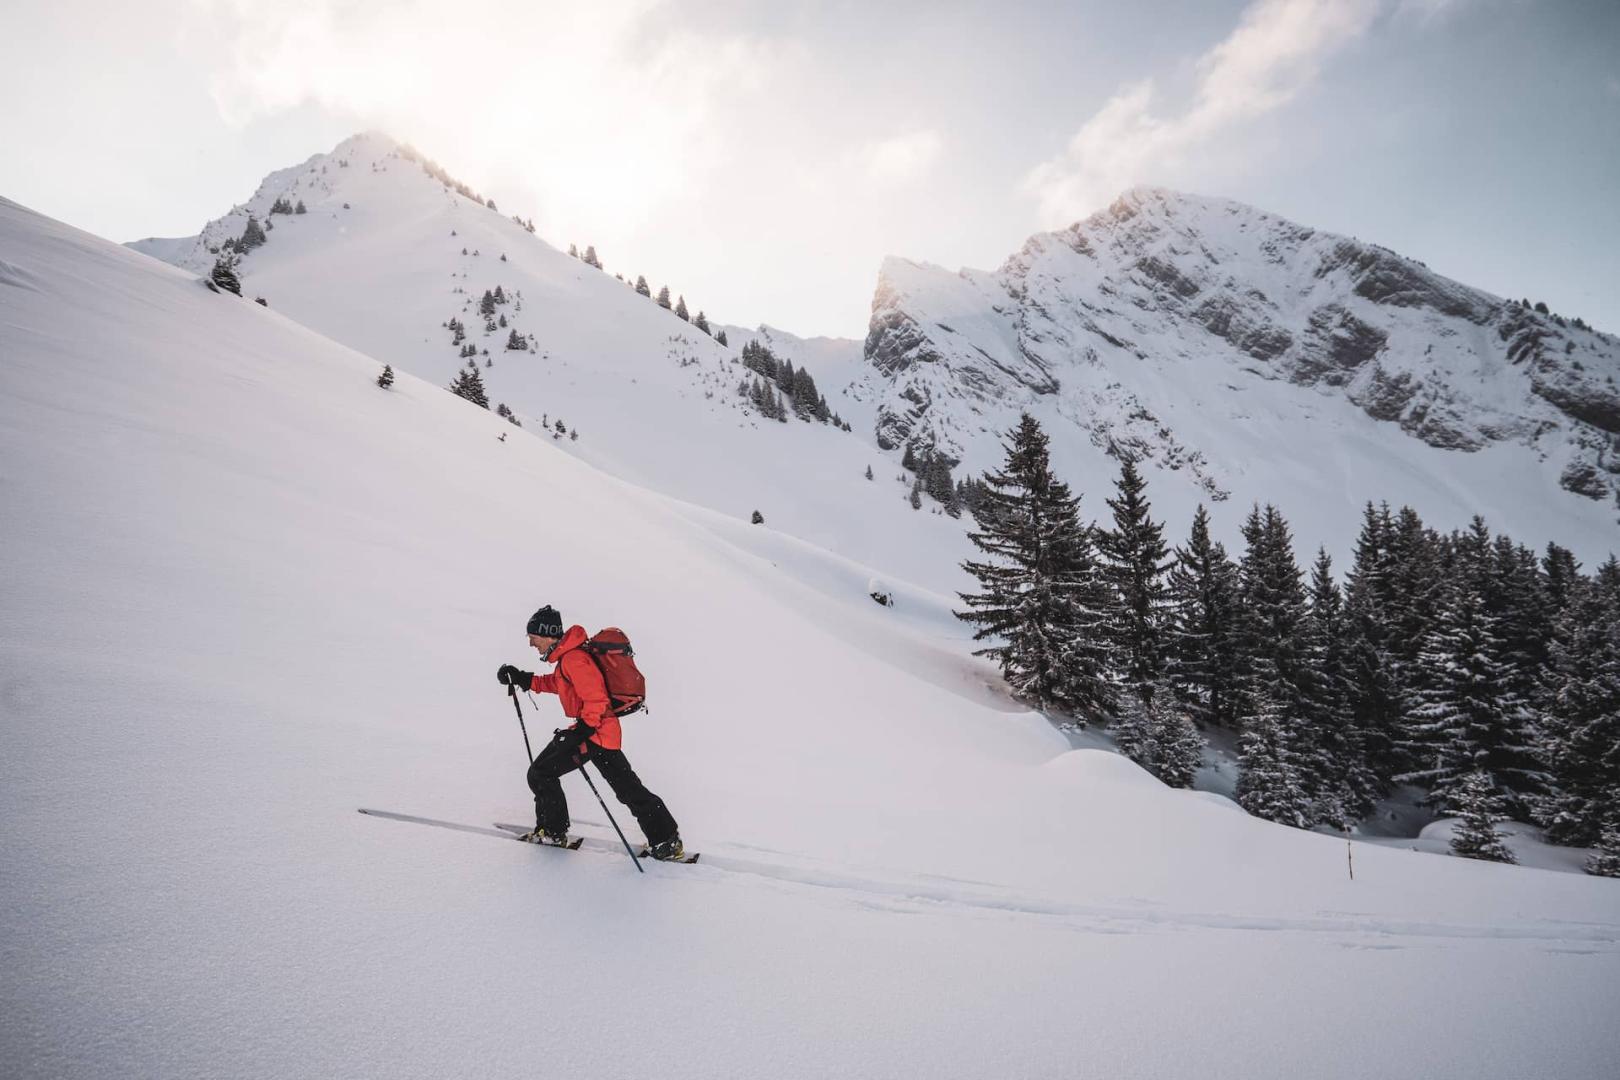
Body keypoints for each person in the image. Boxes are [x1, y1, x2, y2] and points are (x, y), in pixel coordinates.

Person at [497, 605, 684, 860]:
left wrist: (582, 730)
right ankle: (666, 839)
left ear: (547, 633)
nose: (531, 643)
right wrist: (524, 679)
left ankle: (553, 832)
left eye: (533, 637)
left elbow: (596, 699)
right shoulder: (569, 658)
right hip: (599, 733)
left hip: (594, 733)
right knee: (627, 789)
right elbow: (559, 684)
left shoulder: (574, 659)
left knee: (541, 773)